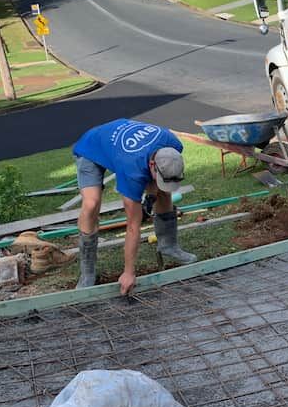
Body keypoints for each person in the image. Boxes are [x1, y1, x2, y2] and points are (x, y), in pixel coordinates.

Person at [72, 119, 197, 294]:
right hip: (91, 148)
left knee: (163, 190)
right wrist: (129, 272)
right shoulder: (131, 169)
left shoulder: (173, 144)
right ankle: (87, 272)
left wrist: (152, 196)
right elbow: (132, 226)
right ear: (152, 165)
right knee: (91, 204)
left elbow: (157, 179)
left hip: (118, 145)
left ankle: (168, 245)